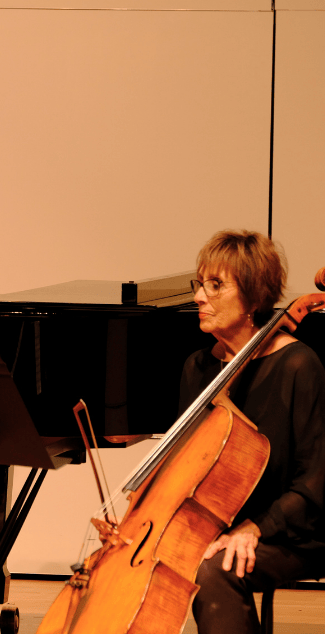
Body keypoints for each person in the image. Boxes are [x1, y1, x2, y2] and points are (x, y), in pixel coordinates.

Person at [180, 229, 325, 634]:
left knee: (215, 570)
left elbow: (314, 483)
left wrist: (255, 527)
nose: (198, 297)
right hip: (227, 528)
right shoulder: (198, 368)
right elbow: (185, 472)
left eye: (215, 285)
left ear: (255, 298)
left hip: (295, 531)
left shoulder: (298, 366)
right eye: (200, 283)